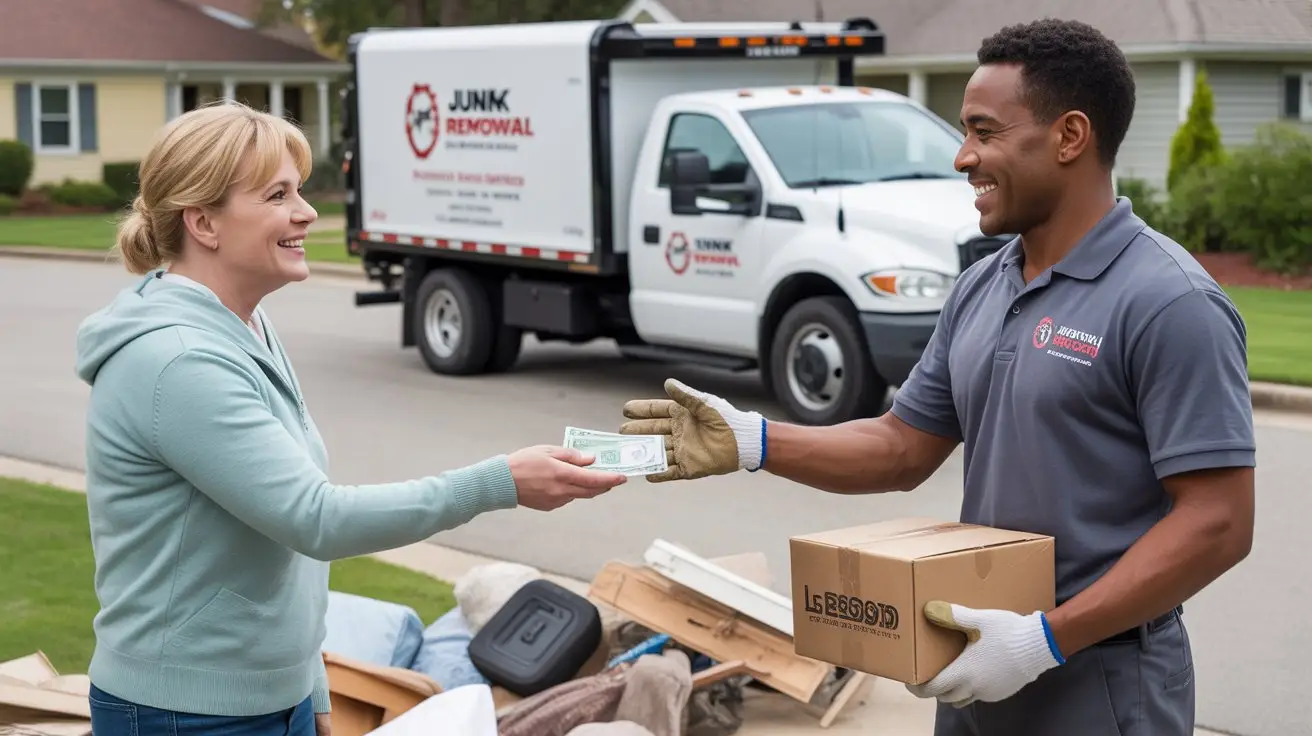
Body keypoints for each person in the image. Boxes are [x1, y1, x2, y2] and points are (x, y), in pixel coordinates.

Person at [618, 18, 1255, 736]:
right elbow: (901, 447)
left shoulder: (1170, 302)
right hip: (977, 665)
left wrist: (1044, 640)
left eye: (984, 132)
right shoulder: (982, 286)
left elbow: (1219, 523)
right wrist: (754, 441)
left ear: (1070, 136)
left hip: (1100, 678)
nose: (962, 157)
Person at [74, 101, 627, 736]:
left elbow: (280, 531)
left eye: (298, 190)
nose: (307, 212)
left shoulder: (241, 326)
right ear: (203, 222)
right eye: (277, 195)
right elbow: (316, 518)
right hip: (187, 713)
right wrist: (499, 482)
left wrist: (306, 682)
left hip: (267, 699)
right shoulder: (177, 361)